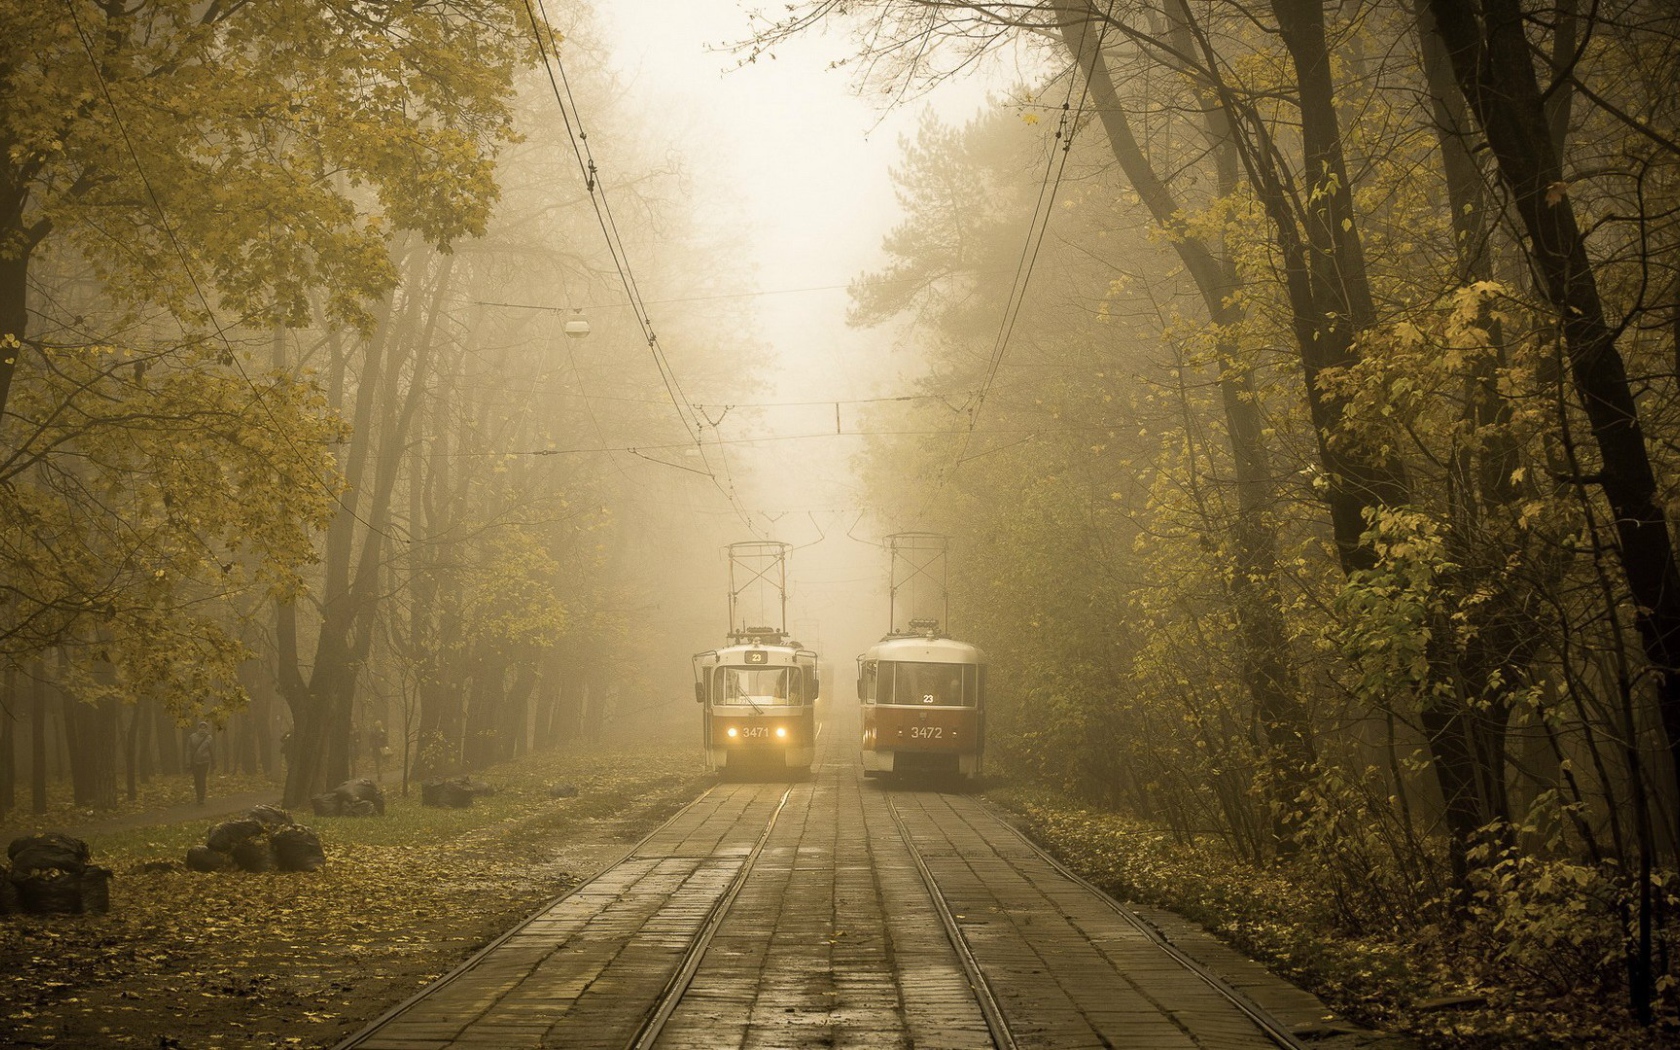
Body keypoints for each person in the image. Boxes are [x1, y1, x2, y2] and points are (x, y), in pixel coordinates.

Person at [187, 720, 215, 805]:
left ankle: (201, 798)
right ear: (198, 728)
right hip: (195, 761)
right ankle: (198, 796)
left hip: (205, 762)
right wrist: (188, 763)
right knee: (197, 780)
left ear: (206, 729)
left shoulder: (209, 738)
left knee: (202, 779)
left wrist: (214, 762)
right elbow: (189, 751)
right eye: (201, 727)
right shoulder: (192, 737)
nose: (202, 729)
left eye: (204, 727)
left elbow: (212, 751)